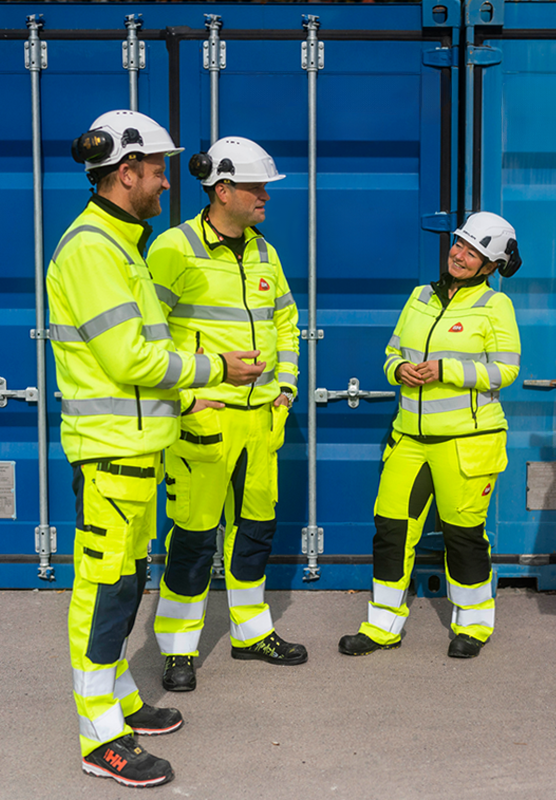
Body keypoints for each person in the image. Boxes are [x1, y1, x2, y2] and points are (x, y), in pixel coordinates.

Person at [48, 110, 266, 787]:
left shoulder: (121, 244)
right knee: (105, 590)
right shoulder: (91, 249)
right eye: (158, 170)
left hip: (136, 447)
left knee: (126, 581)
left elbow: (145, 358)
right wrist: (213, 372)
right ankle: (98, 736)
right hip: (110, 451)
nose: (169, 183)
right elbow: (130, 357)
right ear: (125, 173)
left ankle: (115, 699)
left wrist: (180, 396)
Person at [149, 137, 305, 694]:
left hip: (262, 421)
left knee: (254, 535)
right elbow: (149, 337)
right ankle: (177, 650)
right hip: (203, 420)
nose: (266, 196)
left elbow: (287, 323)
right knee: (193, 539)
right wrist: (187, 397)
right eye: (256, 188)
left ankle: (250, 634)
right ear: (222, 190)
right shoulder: (173, 248)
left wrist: (285, 389)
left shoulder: (265, 252)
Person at [338, 212, 522, 659]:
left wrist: (447, 370)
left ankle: (474, 625)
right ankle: (382, 625)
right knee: (391, 530)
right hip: (410, 438)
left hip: (467, 442)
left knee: (463, 535)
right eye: (458, 244)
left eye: (472, 252)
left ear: (491, 265)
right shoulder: (420, 296)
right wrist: (398, 369)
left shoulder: (495, 306)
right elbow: (391, 352)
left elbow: (507, 370)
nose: (458, 255)